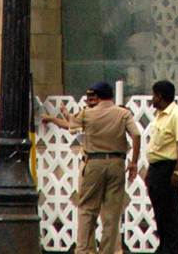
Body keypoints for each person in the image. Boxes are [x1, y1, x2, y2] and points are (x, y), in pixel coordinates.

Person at [43, 80, 140, 254]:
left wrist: (60, 115)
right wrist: (133, 162)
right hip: (117, 163)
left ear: (98, 96)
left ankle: (82, 250)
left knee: (87, 209)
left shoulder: (87, 114)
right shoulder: (123, 113)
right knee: (112, 214)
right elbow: (137, 134)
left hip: (93, 163)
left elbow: (71, 125)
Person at [145, 79, 178, 254]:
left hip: (169, 168)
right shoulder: (160, 115)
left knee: (170, 211)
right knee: (160, 211)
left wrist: (177, 171)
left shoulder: (177, 115)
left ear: (160, 96)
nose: (152, 99)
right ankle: (164, 246)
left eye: (154, 95)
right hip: (156, 168)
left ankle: (174, 249)